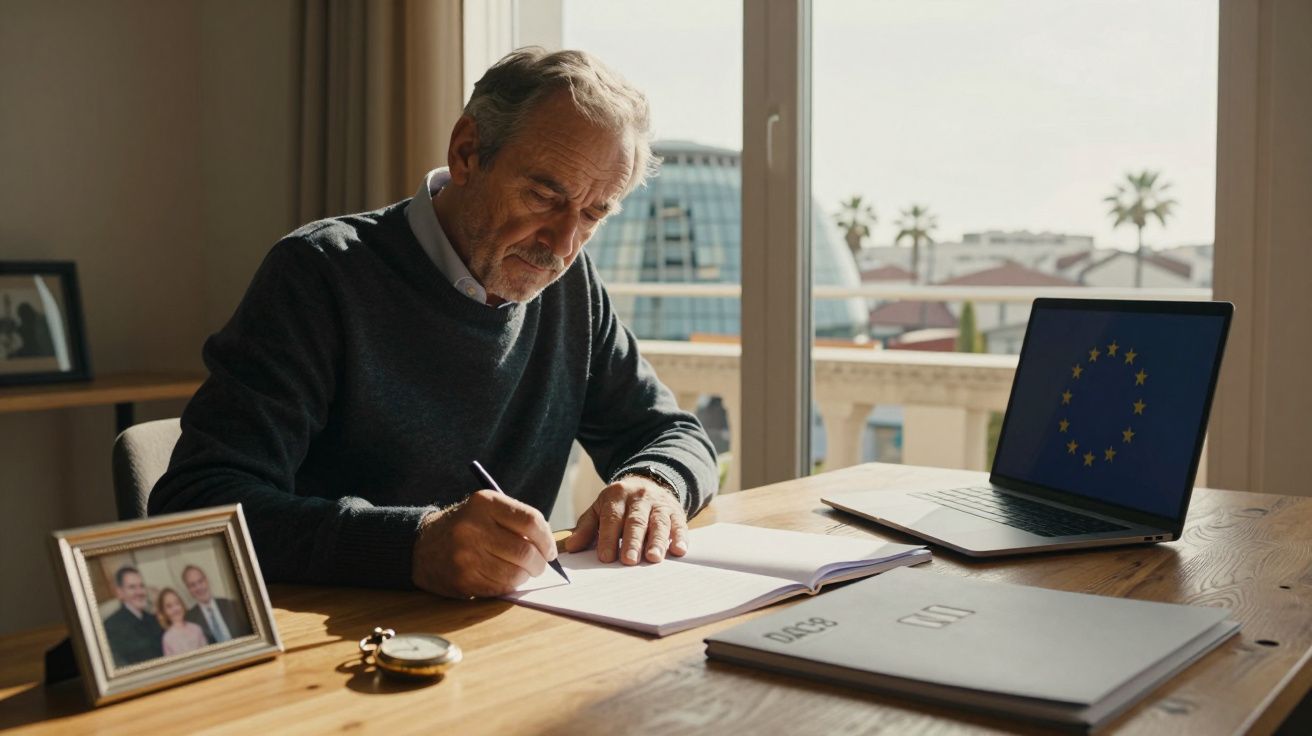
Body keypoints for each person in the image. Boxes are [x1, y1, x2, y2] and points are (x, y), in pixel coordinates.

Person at [149, 48, 718, 598]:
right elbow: (196, 504)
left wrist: (655, 483)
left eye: (594, 214)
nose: (563, 244)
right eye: (545, 196)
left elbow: (676, 435)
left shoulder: (572, 286)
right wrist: (412, 545)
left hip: (505, 635)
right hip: (339, 649)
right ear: (467, 153)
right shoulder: (321, 272)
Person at [101, 566, 163, 667]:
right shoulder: (110, 626)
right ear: (120, 593)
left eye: (141, 586)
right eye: (132, 587)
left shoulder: (153, 618)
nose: (139, 592)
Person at [181, 564, 253, 643]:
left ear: (206, 581)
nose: (199, 587)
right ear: (188, 589)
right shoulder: (189, 619)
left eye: (200, 581)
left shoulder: (233, 606)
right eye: (192, 585)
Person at [156, 588, 208, 656]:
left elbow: (206, 653)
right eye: (169, 606)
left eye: (177, 603)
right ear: (164, 612)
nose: (175, 609)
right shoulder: (167, 638)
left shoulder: (196, 628)